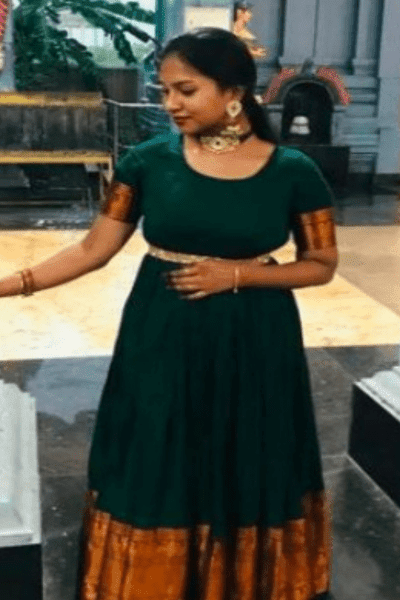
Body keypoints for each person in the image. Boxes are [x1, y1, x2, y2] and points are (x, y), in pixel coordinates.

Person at [0, 27, 337, 600]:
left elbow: (321, 265)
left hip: (256, 339)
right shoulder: (147, 162)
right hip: (162, 333)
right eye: (164, 91)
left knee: (246, 452)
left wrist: (238, 275)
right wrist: (11, 284)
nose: (171, 104)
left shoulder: (292, 171)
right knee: (158, 449)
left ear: (234, 93)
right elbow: (92, 249)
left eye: (186, 90)